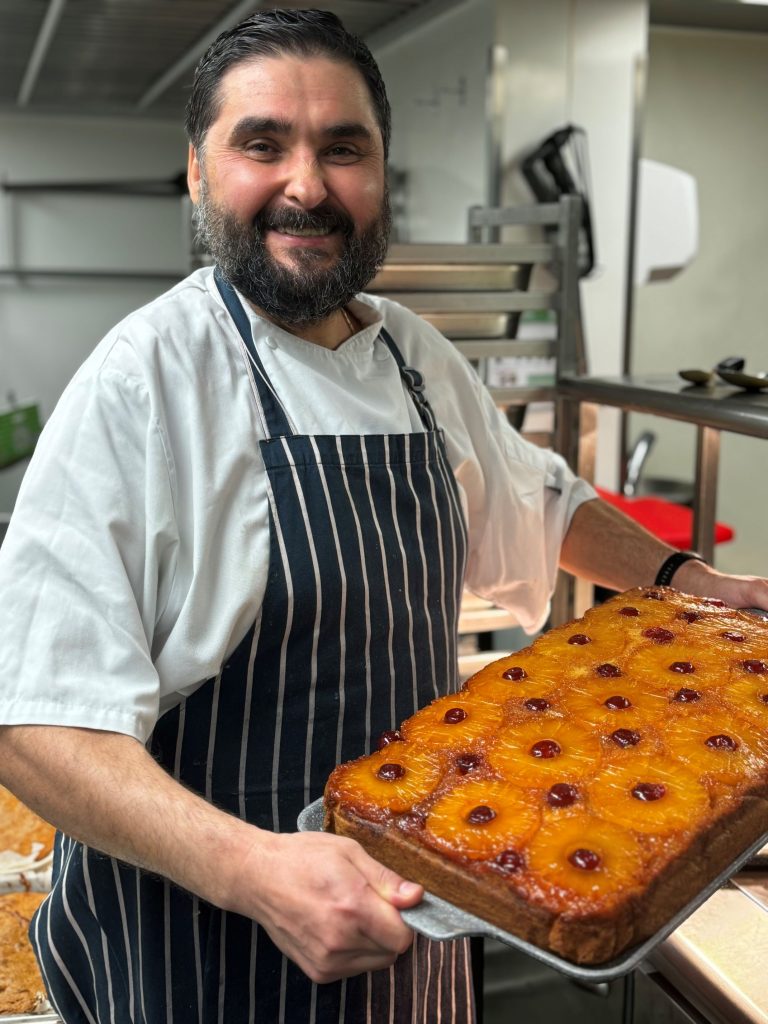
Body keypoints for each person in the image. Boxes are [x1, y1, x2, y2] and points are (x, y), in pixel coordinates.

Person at [0, 8, 766, 1024]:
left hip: (423, 915)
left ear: (381, 174)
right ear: (197, 173)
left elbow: (541, 497)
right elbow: (36, 722)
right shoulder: (145, 381)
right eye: (262, 143)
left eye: (343, 148)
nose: (307, 185)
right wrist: (254, 870)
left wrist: (687, 585)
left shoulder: (409, 354)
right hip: (203, 949)